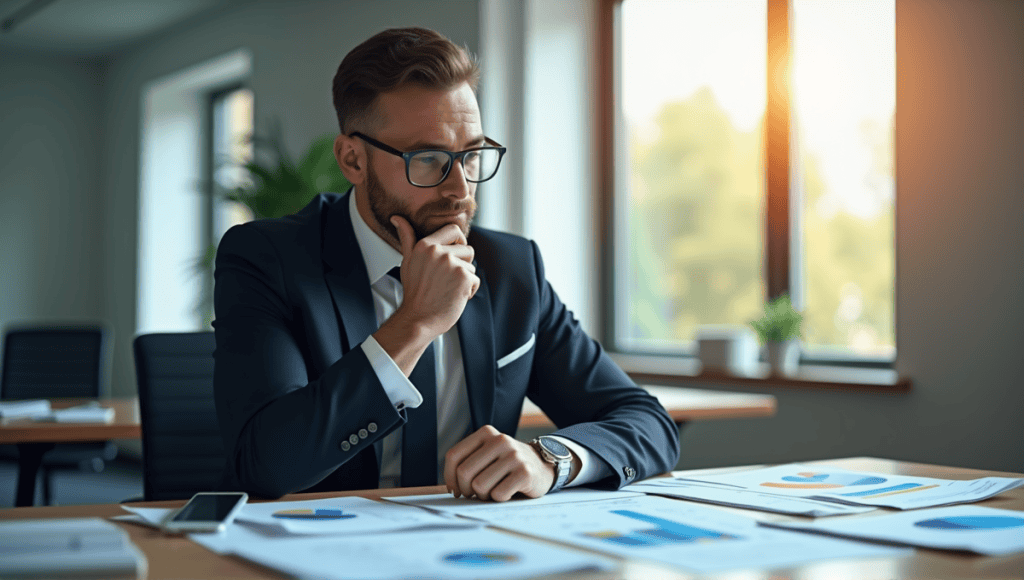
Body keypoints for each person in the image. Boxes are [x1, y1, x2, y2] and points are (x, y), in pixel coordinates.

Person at [212, 27, 679, 502]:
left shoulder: (512, 269)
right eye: (428, 159)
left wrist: (551, 460)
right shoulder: (267, 258)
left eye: (472, 155)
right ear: (353, 159)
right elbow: (265, 463)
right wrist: (415, 324)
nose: (460, 190)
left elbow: (647, 422)